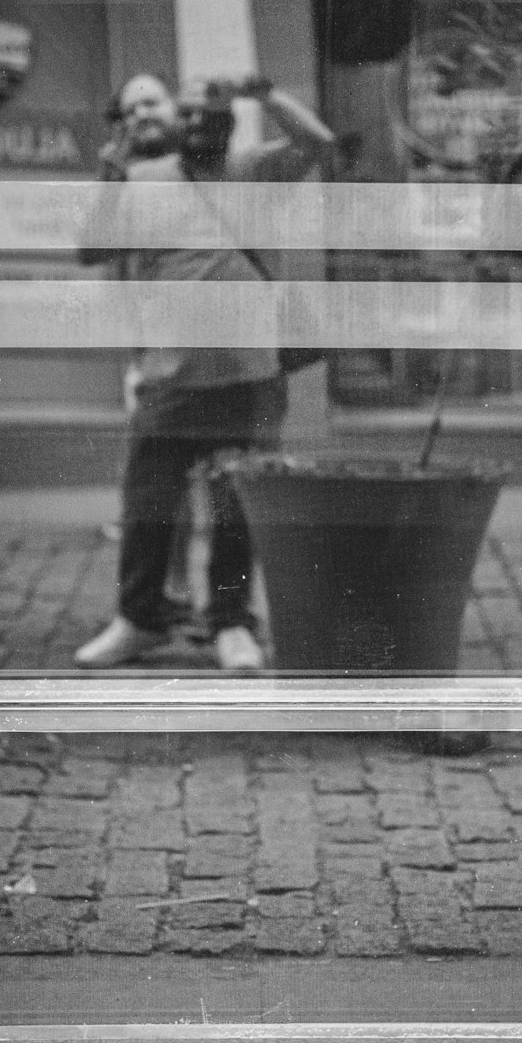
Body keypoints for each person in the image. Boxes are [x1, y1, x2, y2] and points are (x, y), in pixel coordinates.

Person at [74, 71, 334, 672]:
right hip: (171, 377)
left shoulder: (255, 173)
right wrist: (111, 172)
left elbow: (320, 145)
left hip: (249, 374)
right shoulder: (144, 180)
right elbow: (92, 248)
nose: (199, 123)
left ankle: (230, 624)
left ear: (231, 122)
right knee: (147, 505)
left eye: (210, 114)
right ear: (175, 126)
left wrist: (267, 93)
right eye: (187, 114)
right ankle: (139, 619)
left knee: (235, 508)